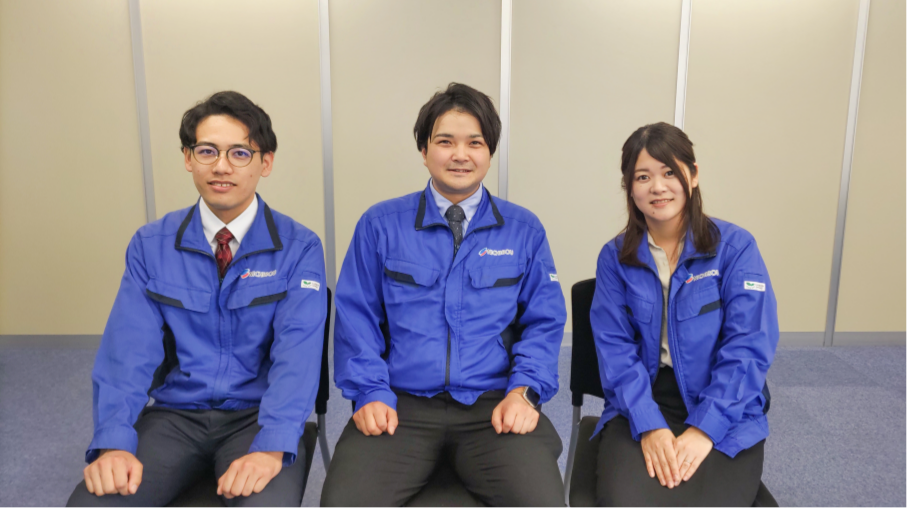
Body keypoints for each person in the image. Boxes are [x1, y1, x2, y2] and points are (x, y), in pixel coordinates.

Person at [65, 91, 327, 508]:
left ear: (266, 162)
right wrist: (113, 443)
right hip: (175, 417)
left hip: (256, 418)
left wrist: (272, 445)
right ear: (188, 158)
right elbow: (126, 352)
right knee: (92, 505)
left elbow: (298, 357)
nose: (221, 166)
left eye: (240, 153)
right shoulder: (151, 245)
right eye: (207, 151)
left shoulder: (299, 247)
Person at [321, 83, 567, 508]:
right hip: (401, 403)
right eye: (445, 142)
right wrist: (369, 391)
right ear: (424, 150)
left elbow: (544, 322)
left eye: (475, 143)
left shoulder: (523, 230)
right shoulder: (380, 225)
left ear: (490, 151)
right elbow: (356, 317)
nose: (460, 155)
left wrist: (525, 390)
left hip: (493, 404)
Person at [589, 122, 778, 508]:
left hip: (724, 400)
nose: (657, 187)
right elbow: (614, 350)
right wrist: (648, 424)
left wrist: (706, 429)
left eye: (669, 172)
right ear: (629, 187)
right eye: (643, 177)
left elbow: (748, 346)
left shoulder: (735, 248)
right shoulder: (614, 257)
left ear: (693, 175)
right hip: (643, 397)